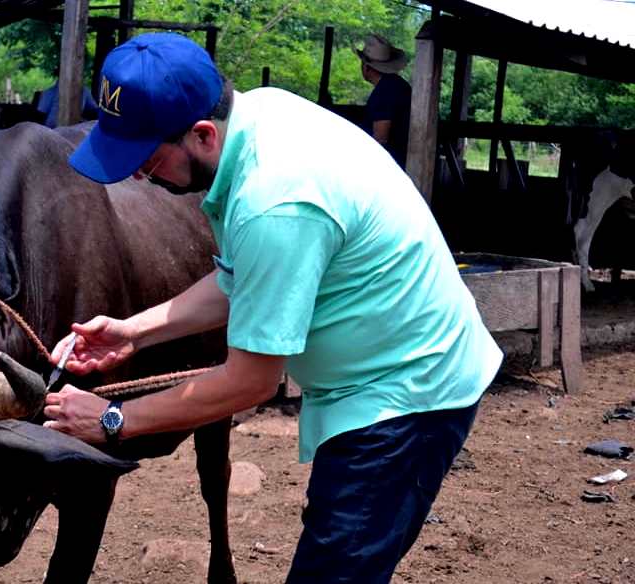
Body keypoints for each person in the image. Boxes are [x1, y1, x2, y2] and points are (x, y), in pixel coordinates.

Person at [42, 32, 502, 583]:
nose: (137, 174)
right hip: (372, 375)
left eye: (147, 156)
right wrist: (133, 333)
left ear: (202, 135)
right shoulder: (258, 117)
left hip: (406, 396)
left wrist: (113, 420)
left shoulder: (274, 203)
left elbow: (250, 383)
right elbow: (242, 279)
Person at [356, 33, 413, 169]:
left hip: (392, 165)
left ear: (367, 66)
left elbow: (380, 138)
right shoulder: (397, 85)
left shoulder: (384, 92)